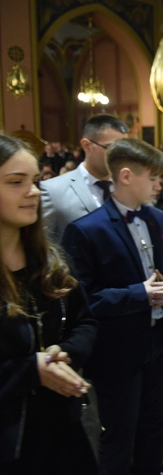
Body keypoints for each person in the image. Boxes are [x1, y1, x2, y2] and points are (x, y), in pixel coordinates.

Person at [62, 138, 163, 474]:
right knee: (119, 435)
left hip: (159, 341)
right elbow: (83, 300)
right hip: (117, 351)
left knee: (154, 427)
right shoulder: (85, 230)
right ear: (126, 176)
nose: (160, 184)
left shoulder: (157, 218)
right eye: (153, 176)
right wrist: (138, 294)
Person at [0, 134, 98, 473]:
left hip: (61, 426)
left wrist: (64, 354)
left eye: (36, 181)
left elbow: (85, 321)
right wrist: (32, 370)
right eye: (16, 182)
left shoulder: (50, 259)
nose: (33, 192)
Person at [40, 114, 129, 243]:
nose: (120, 156)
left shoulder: (127, 185)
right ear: (86, 145)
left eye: (124, 149)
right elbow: (43, 247)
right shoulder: (53, 190)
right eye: (112, 148)